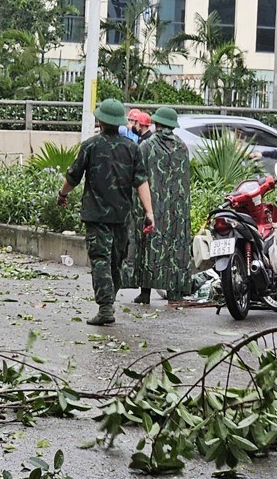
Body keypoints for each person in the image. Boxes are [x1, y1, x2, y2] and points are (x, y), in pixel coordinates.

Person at [57, 99, 154, 326]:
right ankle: (108, 303)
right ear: (120, 122)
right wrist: (149, 212)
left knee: (101, 260)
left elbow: (73, 177)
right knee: (115, 261)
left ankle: (105, 307)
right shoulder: (132, 148)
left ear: (100, 120)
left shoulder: (90, 146)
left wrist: (62, 195)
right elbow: (141, 182)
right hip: (122, 216)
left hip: (96, 215)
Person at [126, 107, 190, 305]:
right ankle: (174, 292)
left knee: (149, 245)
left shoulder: (146, 146)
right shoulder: (182, 147)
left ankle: (145, 292)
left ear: (156, 124)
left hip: (151, 205)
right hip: (176, 209)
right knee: (174, 246)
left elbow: (138, 177)